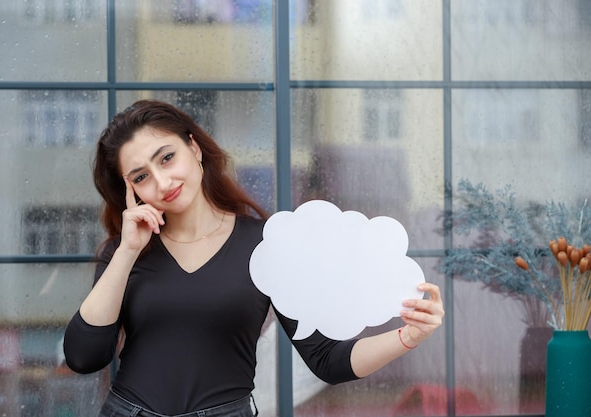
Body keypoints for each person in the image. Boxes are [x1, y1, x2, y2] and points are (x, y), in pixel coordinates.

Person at [63, 99, 445, 417]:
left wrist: (407, 336)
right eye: (141, 177)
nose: (162, 182)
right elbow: (83, 357)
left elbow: (326, 358)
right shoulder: (125, 252)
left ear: (194, 149)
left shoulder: (266, 244)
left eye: (166, 158)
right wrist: (127, 250)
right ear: (129, 190)